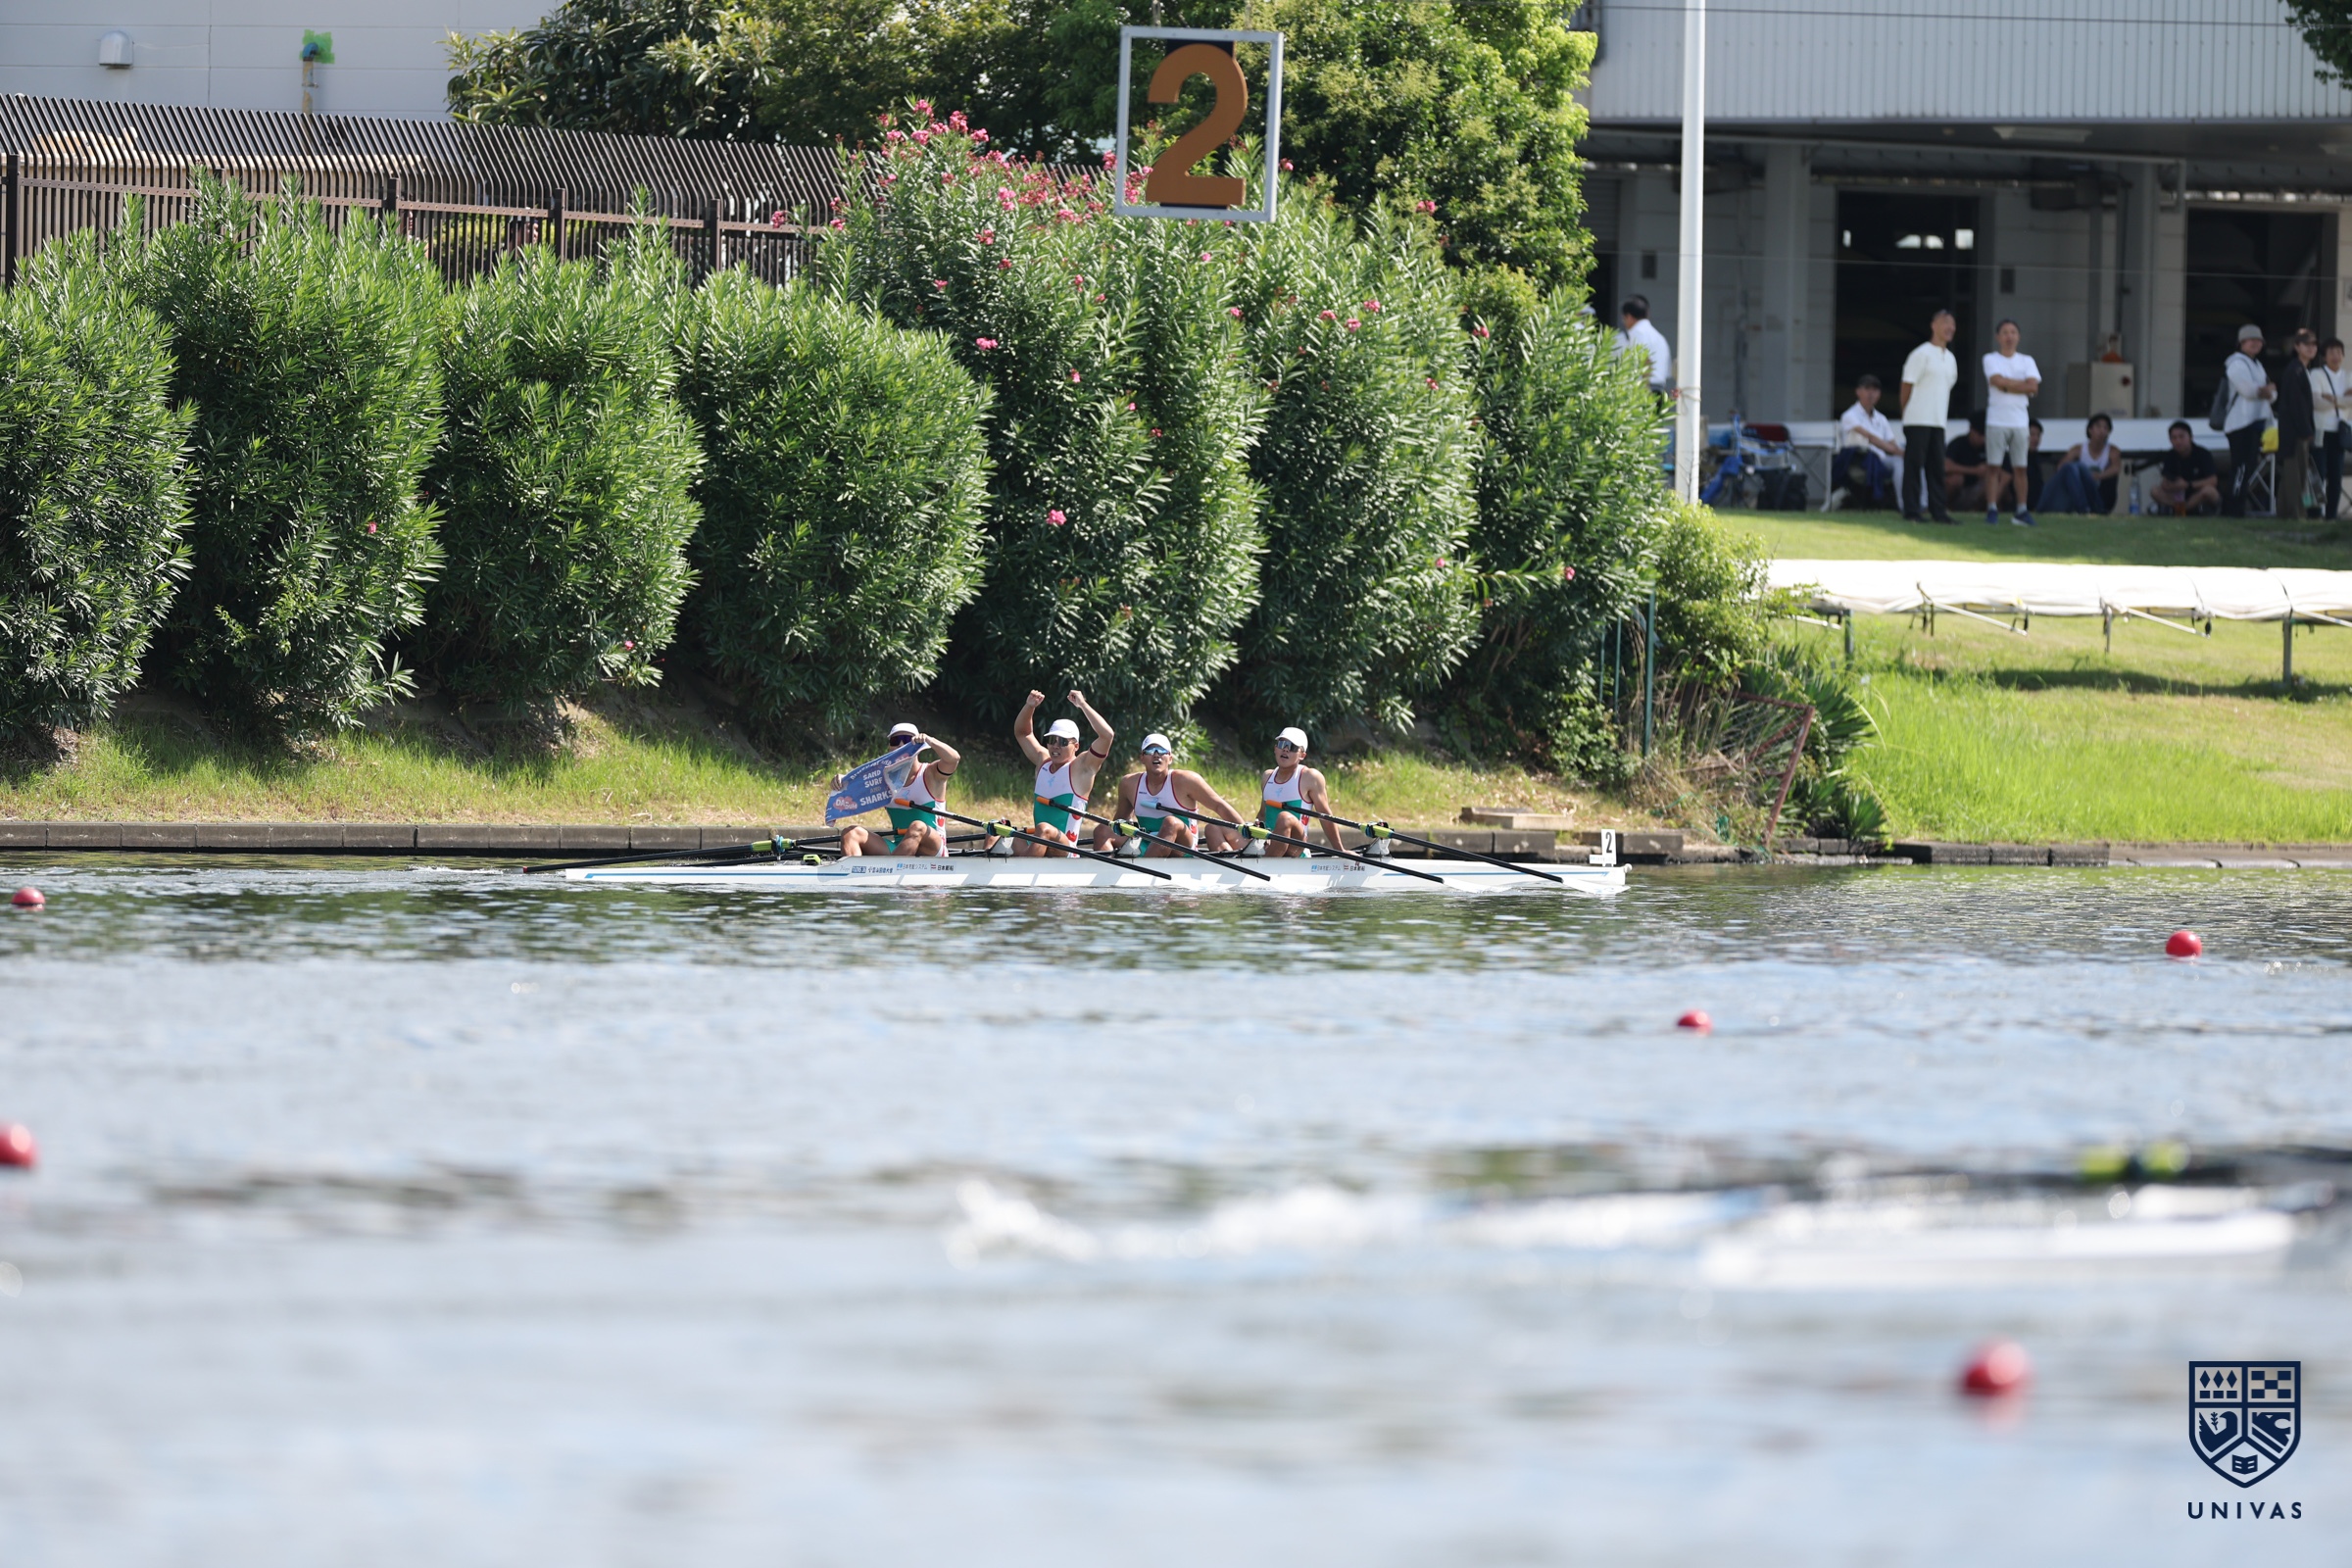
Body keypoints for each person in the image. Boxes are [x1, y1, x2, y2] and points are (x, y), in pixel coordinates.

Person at [1092, 733, 1250, 858]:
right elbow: (1120, 823)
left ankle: (1143, 871)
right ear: (1142, 758)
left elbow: (1219, 806)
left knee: (1171, 822)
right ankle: (1107, 873)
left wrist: (1247, 832)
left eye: (1161, 751)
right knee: (1102, 830)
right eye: (1150, 751)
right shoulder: (1129, 784)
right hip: (1147, 842)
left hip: (1183, 846)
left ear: (1170, 758)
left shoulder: (1186, 780)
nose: (1156, 755)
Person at [1001, 689, 1114, 858]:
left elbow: (1107, 736)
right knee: (999, 828)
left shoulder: (1082, 768)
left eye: (1062, 742)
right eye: (1052, 740)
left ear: (1076, 746)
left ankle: (1024, 868)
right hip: (1037, 843)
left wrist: (1082, 704)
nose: (1055, 745)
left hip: (1066, 849)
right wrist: (1029, 706)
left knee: (1044, 829)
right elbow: (1023, 733)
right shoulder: (1042, 761)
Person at [836, 722, 960, 858]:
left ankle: (890, 868)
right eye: (895, 741)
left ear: (919, 745)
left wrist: (929, 740)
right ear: (890, 748)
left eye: (907, 740)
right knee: (850, 833)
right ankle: (853, 870)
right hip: (900, 848)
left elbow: (953, 759)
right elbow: (856, 787)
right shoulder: (882, 780)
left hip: (933, 850)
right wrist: (844, 781)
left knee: (917, 826)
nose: (900, 745)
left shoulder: (931, 774)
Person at [1899, 308, 1959, 522]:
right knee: (1914, 466)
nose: (1949, 327)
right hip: (1917, 419)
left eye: (1952, 324)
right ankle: (1912, 511)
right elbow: (1906, 386)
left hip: (1938, 421)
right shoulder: (1920, 354)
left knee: (1936, 468)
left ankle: (1938, 511)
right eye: (1945, 322)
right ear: (1934, 326)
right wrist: (1906, 412)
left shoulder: (1950, 358)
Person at [1981, 318, 2040, 525]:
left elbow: (2033, 387)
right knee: (1993, 467)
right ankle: (1992, 508)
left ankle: (2022, 509)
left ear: (2019, 337)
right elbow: (1996, 381)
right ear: (1998, 337)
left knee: (2020, 468)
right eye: (2005, 332)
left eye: (2013, 332)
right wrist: (2021, 384)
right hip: (1997, 420)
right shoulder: (1990, 359)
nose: (2009, 336)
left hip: (2020, 421)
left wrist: (2007, 385)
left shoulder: (2027, 360)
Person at [1258, 727, 1343, 858]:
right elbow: (1262, 815)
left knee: (1285, 818)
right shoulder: (1267, 777)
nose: (1285, 749)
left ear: (1302, 755)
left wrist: (1340, 850)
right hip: (1268, 845)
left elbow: (1325, 816)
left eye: (1292, 747)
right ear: (1275, 749)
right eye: (1282, 744)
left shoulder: (1310, 777)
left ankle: (1264, 864)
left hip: (1296, 848)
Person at [2221, 324, 2275, 517]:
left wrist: (2265, 391)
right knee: (2241, 468)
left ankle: (2237, 508)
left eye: (2258, 340)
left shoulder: (2257, 365)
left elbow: (2272, 394)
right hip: (2240, 423)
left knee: (2248, 467)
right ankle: (2233, 509)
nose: (2255, 343)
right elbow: (2247, 390)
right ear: (2241, 343)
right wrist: (2264, 390)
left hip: (2255, 423)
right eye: (2250, 340)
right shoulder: (2236, 363)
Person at [1834, 374, 1903, 509]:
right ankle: (1903, 505)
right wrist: (1896, 451)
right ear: (1858, 391)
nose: (1871, 393)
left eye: (1875, 390)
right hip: (1860, 461)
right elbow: (1870, 438)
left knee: (1907, 462)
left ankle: (1920, 503)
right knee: (1899, 462)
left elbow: (1891, 441)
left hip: (1882, 459)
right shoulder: (1849, 415)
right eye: (1867, 389)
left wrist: (1902, 452)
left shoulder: (1881, 418)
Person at [2041, 414, 2124, 514]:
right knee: (2072, 468)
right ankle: (2081, 507)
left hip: (2101, 496)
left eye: (2105, 428)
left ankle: (2087, 508)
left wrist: (2098, 476)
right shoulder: (2078, 449)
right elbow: (2061, 467)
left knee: (2080, 468)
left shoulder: (2112, 451)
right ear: (2090, 430)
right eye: (2098, 427)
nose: (2102, 431)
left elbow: (2116, 468)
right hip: (2083, 493)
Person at [2275, 328, 2319, 519]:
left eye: (2313, 344)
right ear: (2297, 347)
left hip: (2294, 431)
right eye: (2306, 344)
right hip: (2295, 433)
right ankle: (2296, 513)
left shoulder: (2301, 369)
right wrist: (2306, 430)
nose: (2311, 348)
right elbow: (2296, 404)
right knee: (2296, 474)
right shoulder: (2295, 370)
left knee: (2291, 474)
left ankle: (2285, 512)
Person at [2151, 419, 2221, 515]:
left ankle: (2185, 509)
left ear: (2191, 437)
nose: (2178, 441)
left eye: (2181, 437)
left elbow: (2213, 481)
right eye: (2174, 438)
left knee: (2209, 491)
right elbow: (2165, 481)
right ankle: (2181, 509)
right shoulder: (2170, 456)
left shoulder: (2203, 454)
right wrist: (2172, 485)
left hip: (2198, 493)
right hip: (2178, 494)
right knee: (2155, 491)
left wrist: (2188, 485)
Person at [2316, 337, 2347, 519]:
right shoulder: (2317, 374)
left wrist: (2332, 398)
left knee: (2336, 476)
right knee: (2317, 474)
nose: (2336, 356)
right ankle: (2313, 513)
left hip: (2340, 432)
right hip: (2320, 431)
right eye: (2331, 352)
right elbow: (2317, 403)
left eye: (2339, 352)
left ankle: (2331, 515)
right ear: (2324, 356)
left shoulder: (2348, 376)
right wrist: (2343, 399)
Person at [1617, 296, 1673, 395]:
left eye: (1623, 319)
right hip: (1660, 389)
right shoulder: (1659, 337)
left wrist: (1644, 391)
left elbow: (1645, 360)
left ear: (1629, 317)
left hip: (1646, 389)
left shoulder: (1637, 332)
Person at [1943, 412, 1991, 514]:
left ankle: (1981, 510)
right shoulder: (1958, 443)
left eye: (1985, 435)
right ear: (1971, 429)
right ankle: (1945, 507)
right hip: (1959, 491)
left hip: (1976, 490)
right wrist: (1975, 471)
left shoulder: (1988, 446)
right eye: (1980, 434)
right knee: (1956, 479)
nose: (1982, 439)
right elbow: (1946, 466)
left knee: (1991, 482)